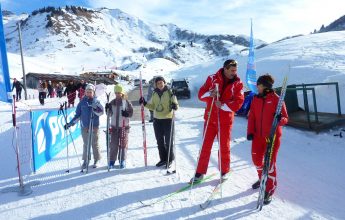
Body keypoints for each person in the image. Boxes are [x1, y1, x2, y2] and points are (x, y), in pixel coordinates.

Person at [191, 59, 244, 183]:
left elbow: (239, 102)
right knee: (205, 146)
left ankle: (224, 170)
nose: (234, 73)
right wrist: (210, 93)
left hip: (225, 120)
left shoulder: (238, 83)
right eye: (232, 70)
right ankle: (199, 172)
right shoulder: (212, 78)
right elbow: (200, 95)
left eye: (235, 70)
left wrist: (223, 105)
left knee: (224, 146)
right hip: (210, 118)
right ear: (225, 69)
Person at [247, 74, 288, 205]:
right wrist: (250, 131)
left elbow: (286, 118)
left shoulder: (277, 99)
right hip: (258, 136)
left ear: (264, 86)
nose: (256, 87)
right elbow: (252, 116)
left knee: (269, 164)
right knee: (256, 160)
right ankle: (262, 178)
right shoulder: (255, 99)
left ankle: (269, 189)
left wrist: (280, 119)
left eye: (258, 85)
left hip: (272, 137)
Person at [139, 76, 179, 167]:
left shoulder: (170, 92)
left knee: (168, 141)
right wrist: (144, 103)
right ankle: (163, 159)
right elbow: (153, 107)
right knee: (159, 141)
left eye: (161, 82)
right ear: (156, 85)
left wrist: (175, 106)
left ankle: (170, 159)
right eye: (158, 83)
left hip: (168, 119)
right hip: (157, 120)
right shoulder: (154, 93)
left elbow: (176, 105)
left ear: (164, 83)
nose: (160, 84)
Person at [64, 84, 104, 169]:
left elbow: (101, 112)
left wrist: (95, 108)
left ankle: (97, 160)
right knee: (86, 144)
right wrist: (70, 124)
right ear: (85, 92)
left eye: (90, 92)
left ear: (93, 92)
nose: (89, 93)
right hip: (85, 127)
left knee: (95, 144)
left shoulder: (96, 101)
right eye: (87, 92)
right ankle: (86, 160)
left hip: (94, 127)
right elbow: (77, 115)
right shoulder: (82, 102)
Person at [105, 84, 133, 169]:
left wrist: (127, 113)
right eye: (116, 92)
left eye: (119, 93)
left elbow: (131, 113)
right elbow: (109, 114)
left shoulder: (126, 102)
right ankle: (112, 161)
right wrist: (107, 108)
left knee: (123, 145)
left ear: (122, 93)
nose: (117, 94)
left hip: (124, 127)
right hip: (114, 127)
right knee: (113, 145)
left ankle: (122, 160)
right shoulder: (112, 102)